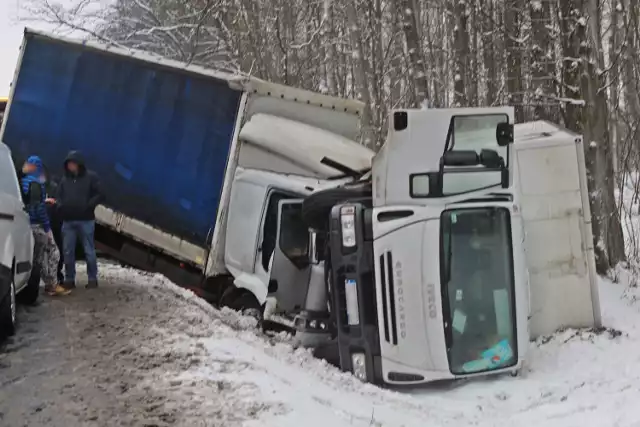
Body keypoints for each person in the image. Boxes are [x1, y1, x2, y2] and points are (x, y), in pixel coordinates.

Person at [50, 151, 104, 289]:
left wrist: (89, 206)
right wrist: (61, 207)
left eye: (73, 163)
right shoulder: (64, 180)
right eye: (68, 164)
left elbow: (100, 194)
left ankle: (92, 279)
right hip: (68, 221)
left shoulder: (91, 177)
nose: (70, 166)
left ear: (79, 164)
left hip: (86, 220)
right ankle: (69, 279)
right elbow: (58, 196)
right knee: (68, 251)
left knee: (89, 251)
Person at [21, 156, 70, 297]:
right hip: (38, 224)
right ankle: (52, 285)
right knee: (53, 252)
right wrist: (47, 228)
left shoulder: (24, 181)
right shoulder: (36, 183)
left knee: (36, 257)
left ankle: (32, 285)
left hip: (27, 224)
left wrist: (43, 200)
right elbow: (38, 208)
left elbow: (30, 201)